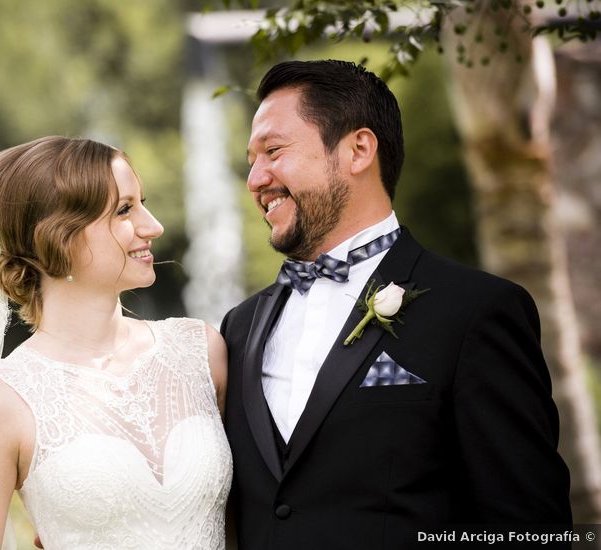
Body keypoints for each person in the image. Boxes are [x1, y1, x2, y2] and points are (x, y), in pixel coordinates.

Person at [221, 60, 572, 549]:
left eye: (273, 151)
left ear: (358, 149)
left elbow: (528, 526)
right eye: (251, 159)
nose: (255, 179)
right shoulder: (238, 328)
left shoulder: (476, 312)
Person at [0, 136, 232, 550]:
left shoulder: (201, 352)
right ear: (57, 236)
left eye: (141, 203)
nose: (153, 226)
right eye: (125, 210)